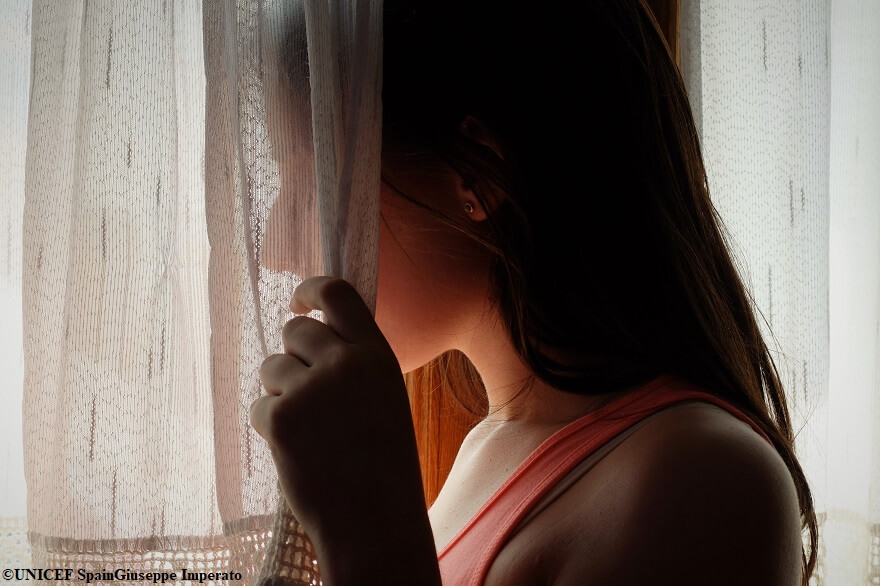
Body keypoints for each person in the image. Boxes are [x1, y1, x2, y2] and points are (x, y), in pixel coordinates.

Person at [251, 0, 818, 584]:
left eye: (312, 187)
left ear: (477, 173)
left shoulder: (705, 482)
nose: (273, 249)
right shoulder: (489, 452)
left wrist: (367, 536)